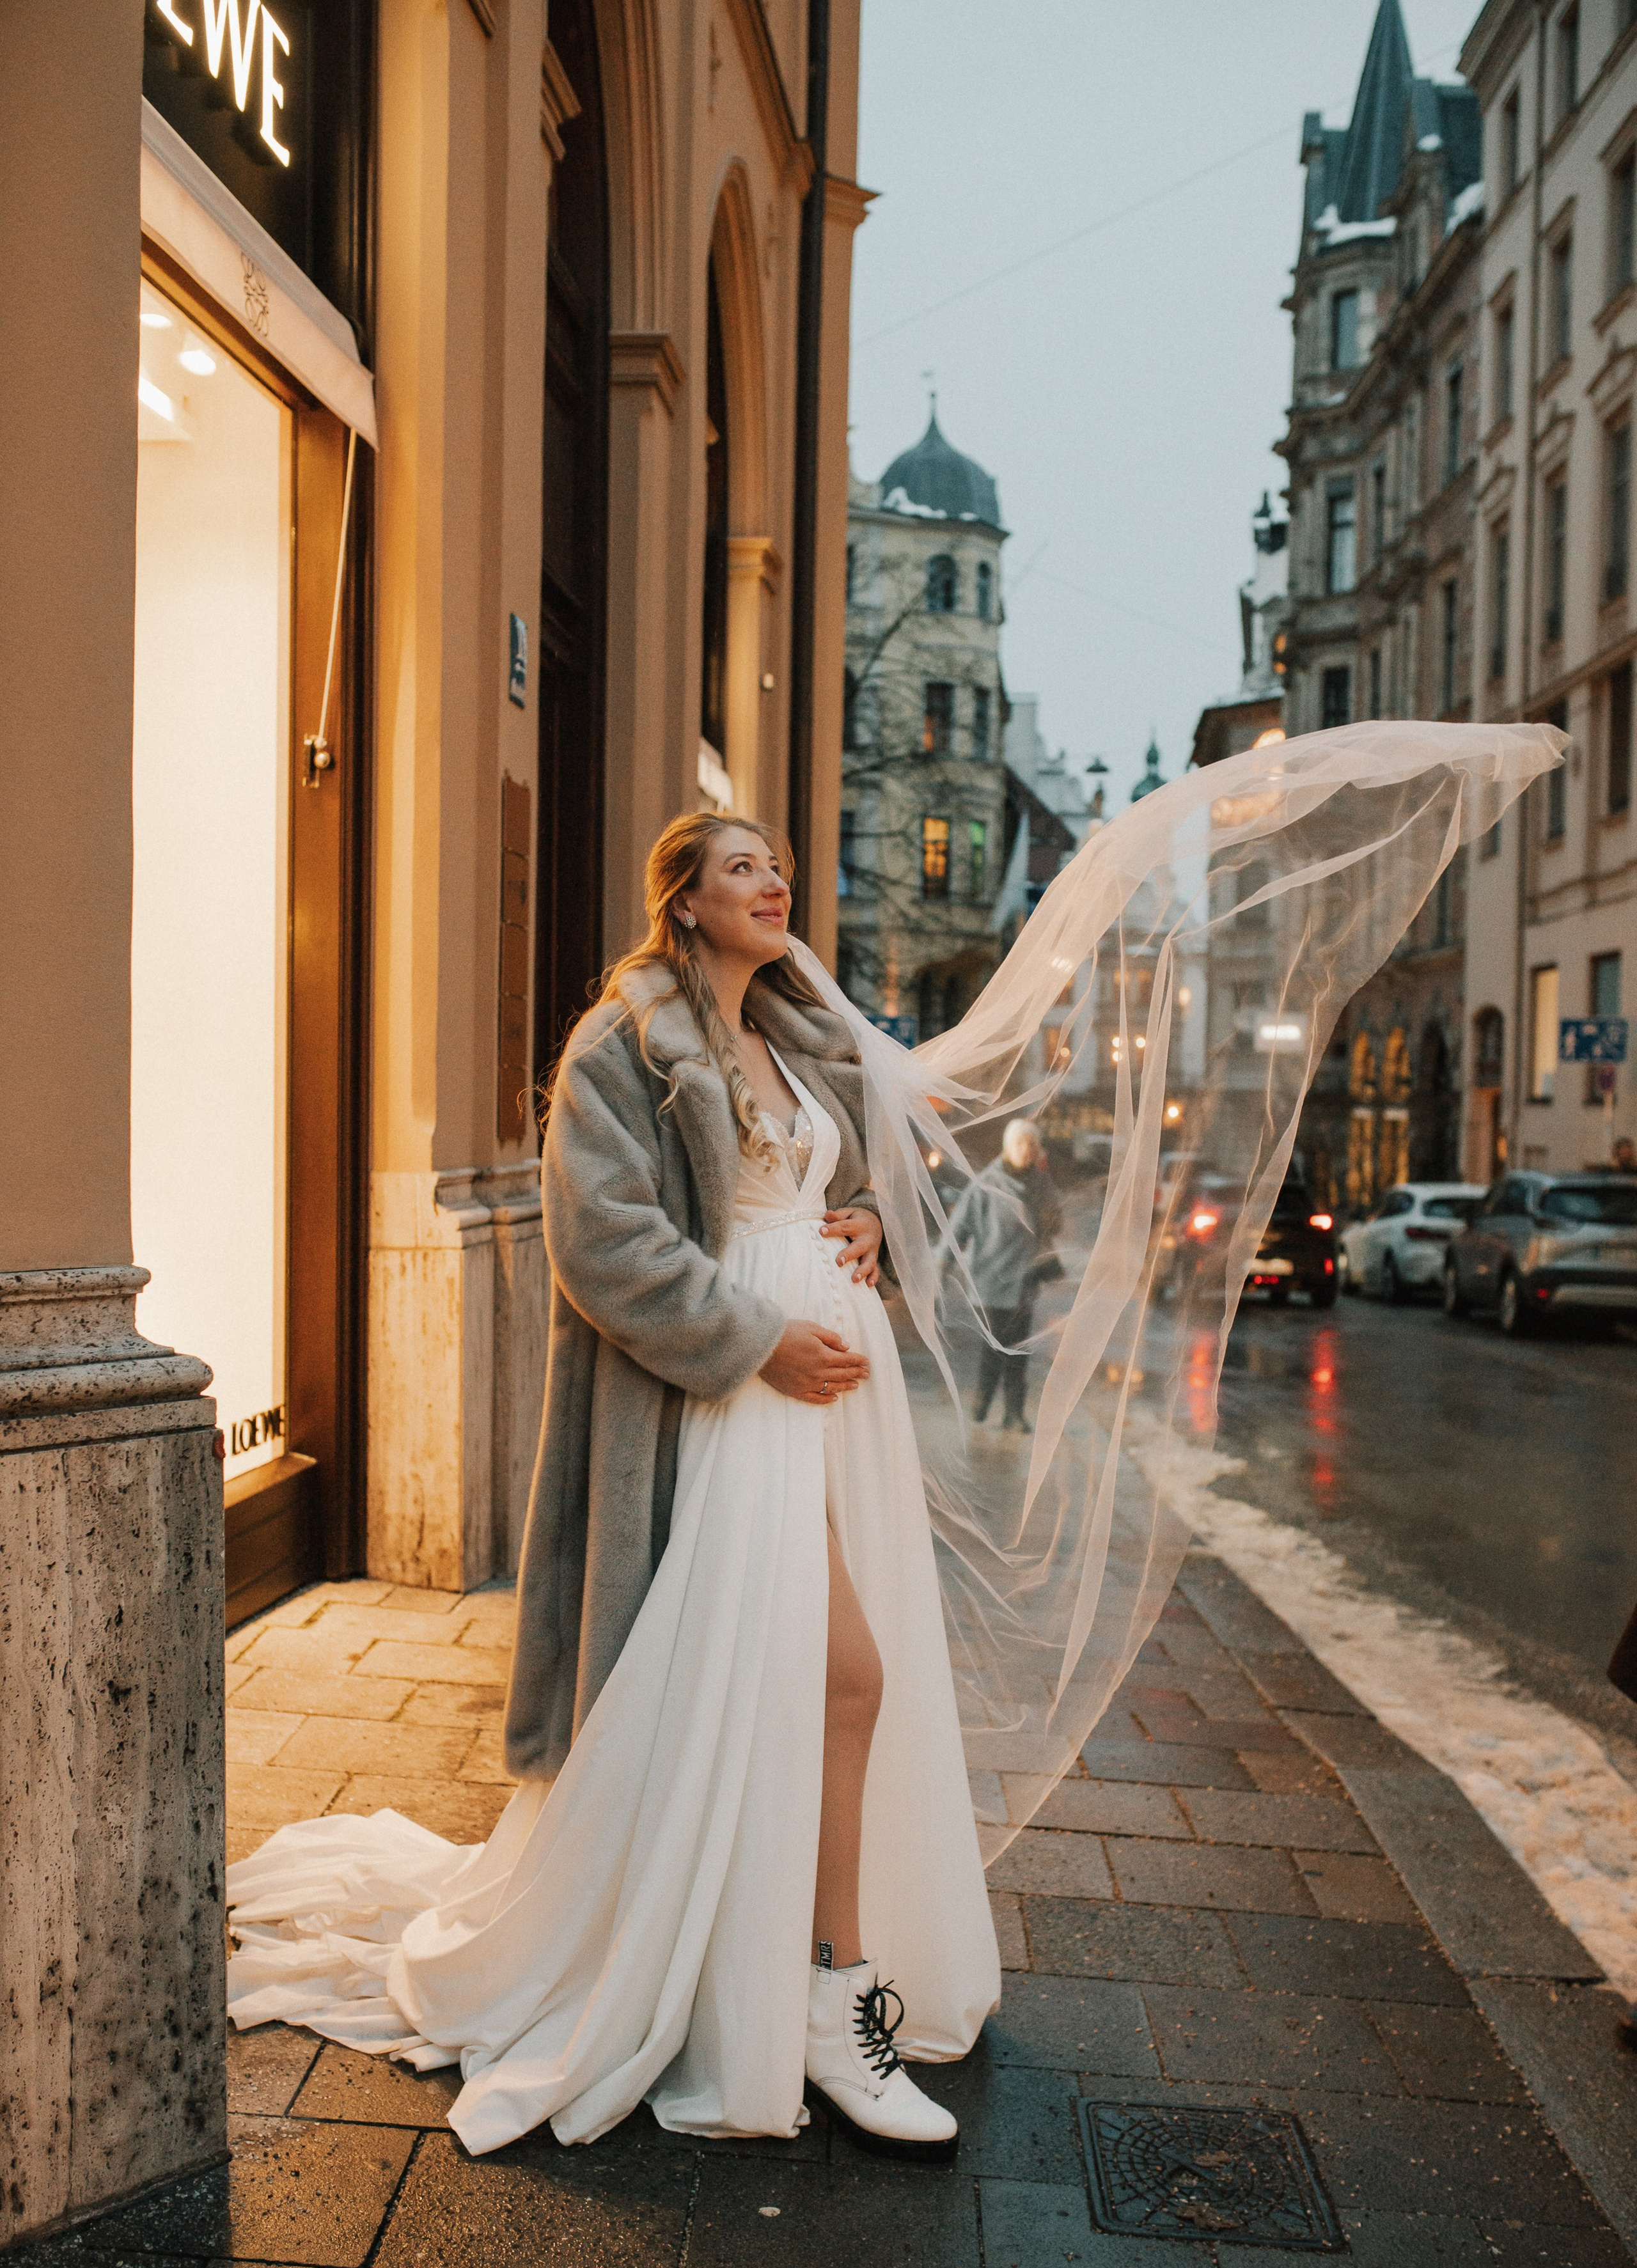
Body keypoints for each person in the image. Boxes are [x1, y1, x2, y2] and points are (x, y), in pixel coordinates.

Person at [227, 815, 998, 2159]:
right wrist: (753, 1339)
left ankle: (778, 1971)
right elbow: (602, 1239)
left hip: (826, 1410)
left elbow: (850, 1169)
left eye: (776, 866)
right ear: (684, 901)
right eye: (744, 867)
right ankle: (824, 1993)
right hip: (728, 1404)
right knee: (839, 1676)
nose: (775, 883)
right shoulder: (623, 1040)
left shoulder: (798, 1030)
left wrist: (865, 1213)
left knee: (795, 1690)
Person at [945, 1119, 1063, 1433]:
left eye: (1032, 1145)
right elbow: (958, 1228)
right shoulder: (985, 1184)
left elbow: (1055, 1222)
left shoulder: (1042, 1184)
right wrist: (941, 1267)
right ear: (1008, 1147)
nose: (1028, 1151)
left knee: (1020, 1349)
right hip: (991, 1280)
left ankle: (1014, 1411)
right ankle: (982, 1401)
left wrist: (1051, 1218)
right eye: (1022, 1144)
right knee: (994, 1348)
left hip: (1024, 1281)